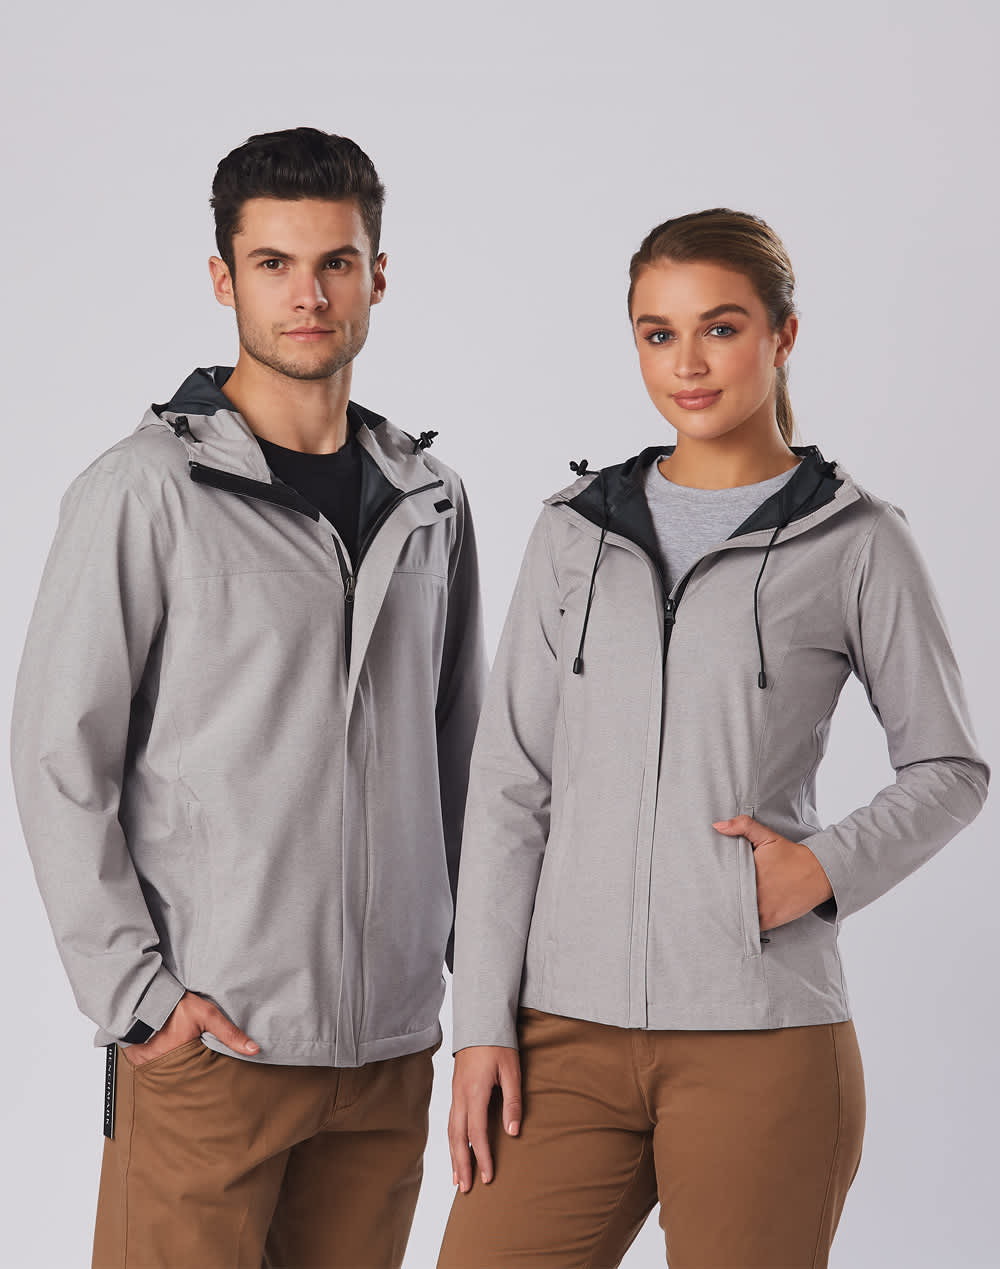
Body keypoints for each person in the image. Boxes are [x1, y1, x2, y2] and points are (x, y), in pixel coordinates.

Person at [438, 208, 989, 1268]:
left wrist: (822, 869)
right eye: (658, 333)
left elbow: (949, 767)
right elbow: (509, 785)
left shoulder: (857, 539)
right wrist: (482, 1025)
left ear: (784, 336)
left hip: (762, 1036)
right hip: (559, 1038)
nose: (686, 364)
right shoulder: (574, 531)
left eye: (720, 328)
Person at [10, 126, 486, 1269]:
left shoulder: (431, 500)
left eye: (335, 263)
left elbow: (463, 759)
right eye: (274, 264)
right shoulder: (144, 493)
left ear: (377, 276)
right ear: (225, 279)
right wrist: (139, 998)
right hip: (213, 1047)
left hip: (386, 1054)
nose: (307, 296)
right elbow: (58, 756)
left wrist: (476, 987)